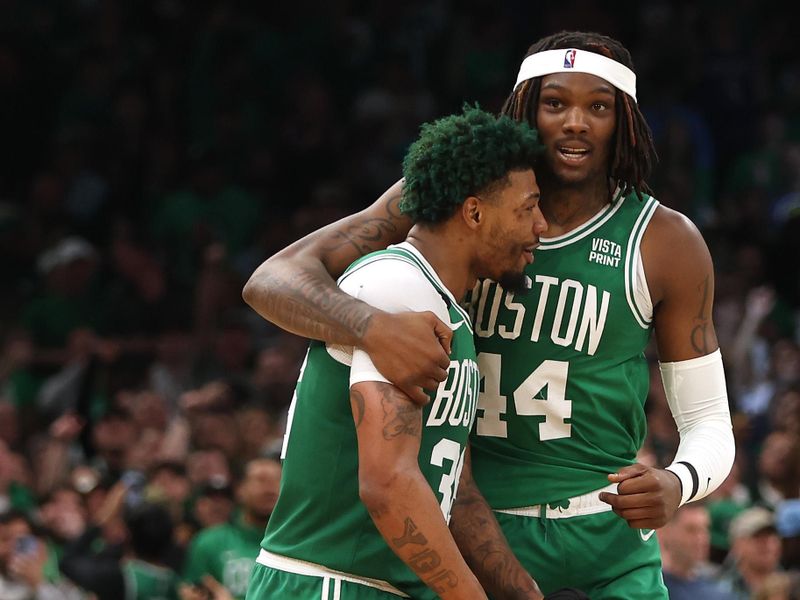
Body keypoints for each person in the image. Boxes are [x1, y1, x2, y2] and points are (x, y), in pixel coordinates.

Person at [242, 31, 736, 597]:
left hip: (605, 532)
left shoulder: (666, 240)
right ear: (526, 110)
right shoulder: (450, 194)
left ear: (623, 120)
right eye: (555, 103)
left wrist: (681, 480)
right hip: (471, 525)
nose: (575, 122)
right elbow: (272, 280)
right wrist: (367, 325)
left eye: (597, 106)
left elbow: (710, 422)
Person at [246, 105, 549, 599]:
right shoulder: (396, 285)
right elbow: (388, 483)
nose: (541, 225)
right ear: (473, 212)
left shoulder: (444, 309)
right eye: (527, 208)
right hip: (330, 584)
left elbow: (456, 492)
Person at [181, 457, 281, 600]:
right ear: (240, 489)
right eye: (260, 480)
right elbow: (190, 591)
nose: (269, 487)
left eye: (277, 480)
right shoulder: (209, 542)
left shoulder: (297, 544)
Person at [659, 503, 734, 599]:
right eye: (691, 530)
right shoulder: (651, 588)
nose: (702, 538)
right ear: (664, 532)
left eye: (705, 529)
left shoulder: (720, 589)